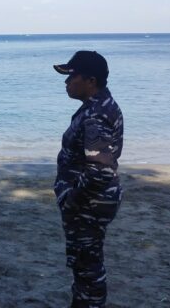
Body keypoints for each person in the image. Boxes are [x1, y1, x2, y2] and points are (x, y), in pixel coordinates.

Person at [53, 51, 123, 308]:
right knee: (85, 263)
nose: (66, 82)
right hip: (92, 201)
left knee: (87, 266)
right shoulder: (99, 106)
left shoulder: (96, 114)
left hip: (89, 204)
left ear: (90, 80)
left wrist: (72, 200)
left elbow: (99, 170)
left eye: (72, 76)